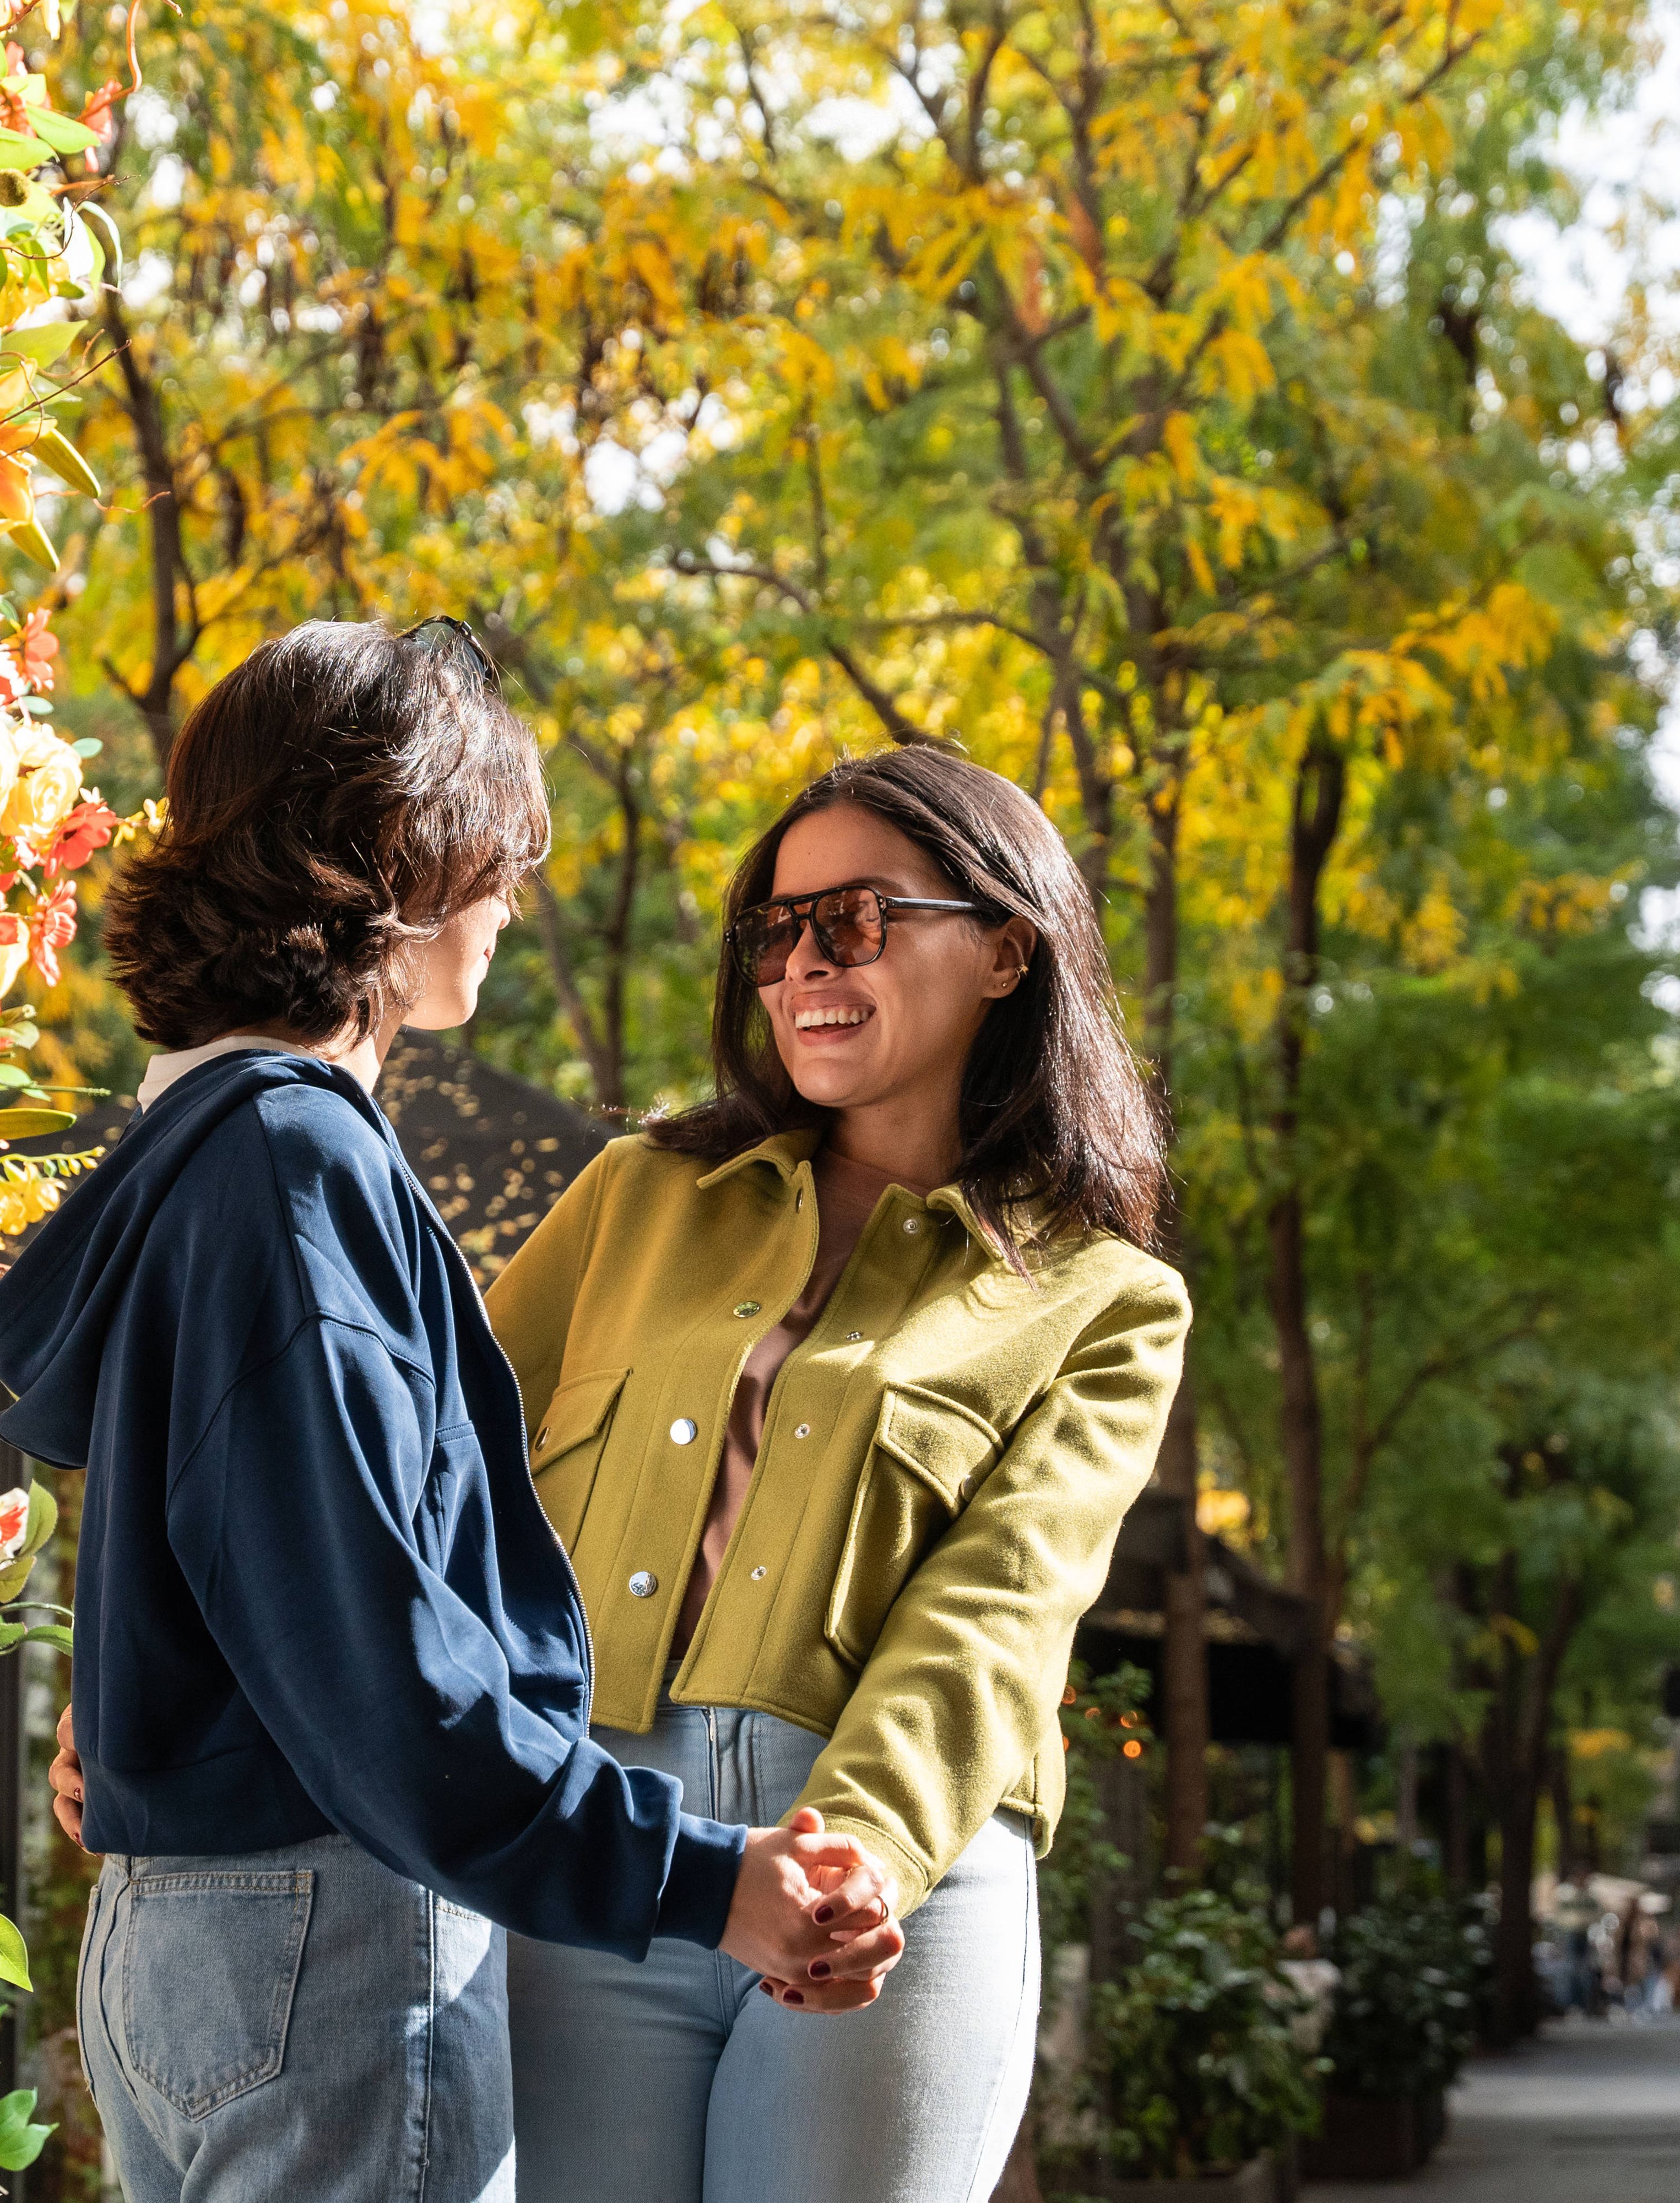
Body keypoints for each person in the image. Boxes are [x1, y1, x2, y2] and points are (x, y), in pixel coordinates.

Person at [0, 621, 906, 2203]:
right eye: (495, 856)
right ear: (399, 853)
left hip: (176, 1939)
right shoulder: (291, 1168)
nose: (512, 904)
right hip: (326, 1940)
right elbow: (378, 1654)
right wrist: (700, 1880)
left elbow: (249, 1564)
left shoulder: (191, 1151)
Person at [484, 747, 1189, 2203]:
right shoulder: (637, 1198)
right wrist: (194, 1688)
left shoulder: (1107, 1301)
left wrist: (850, 1865)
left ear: (1004, 949)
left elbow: (996, 1619)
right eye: (775, 931)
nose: (803, 962)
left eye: (856, 920)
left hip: (896, 1881)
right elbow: (419, 1472)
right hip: (605, 1844)